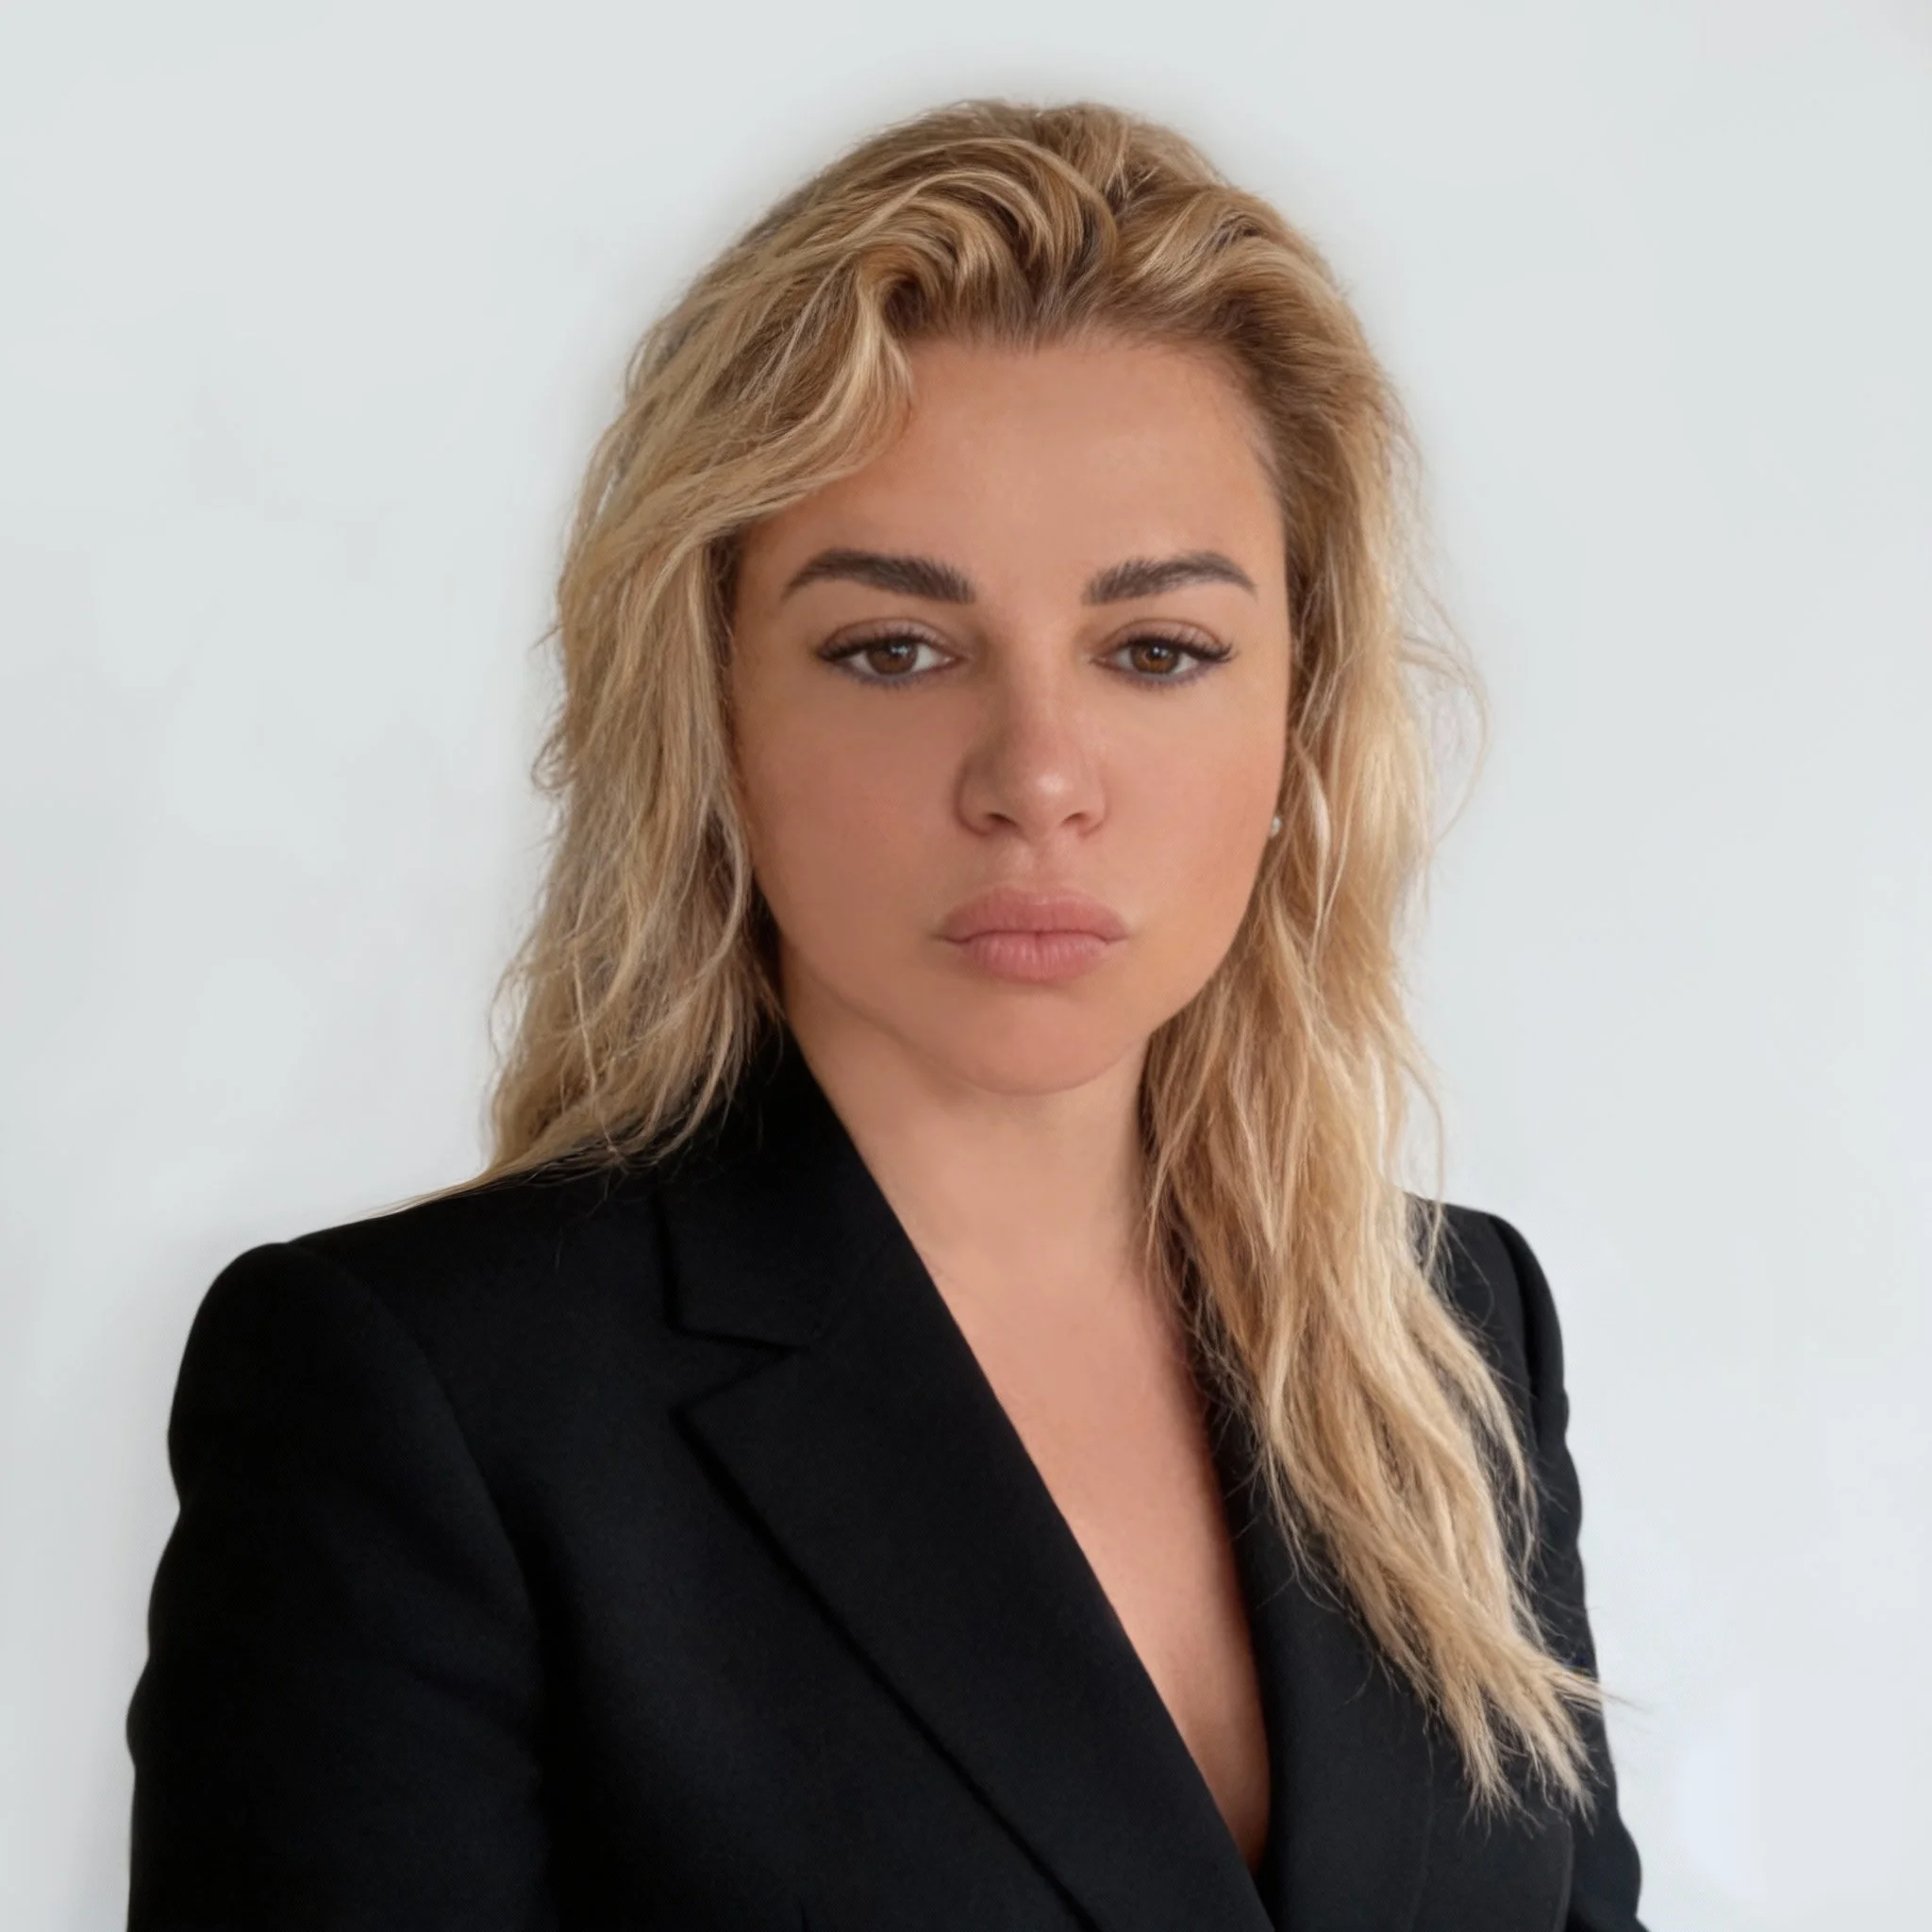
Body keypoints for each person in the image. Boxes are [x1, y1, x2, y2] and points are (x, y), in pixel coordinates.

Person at [125, 99, 1646, 1930]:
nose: (1036, 775)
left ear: (1297, 726)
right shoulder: (427, 1399)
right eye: (892, 650)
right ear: (713, 712)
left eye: (1155, 649)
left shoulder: (1448, 1338)